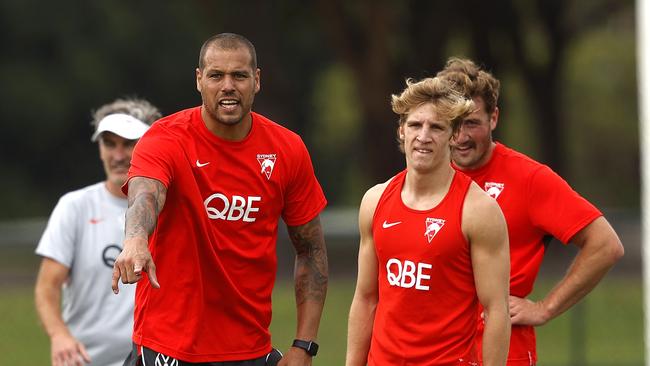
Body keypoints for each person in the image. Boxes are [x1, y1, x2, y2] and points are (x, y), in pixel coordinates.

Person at [111, 33, 328, 366]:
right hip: (170, 346)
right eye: (216, 75)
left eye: (239, 75)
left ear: (256, 81)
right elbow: (144, 194)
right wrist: (136, 239)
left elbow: (311, 250)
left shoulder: (288, 150)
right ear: (199, 80)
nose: (228, 85)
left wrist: (304, 345)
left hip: (251, 348)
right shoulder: (165, 138)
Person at [437, 57, 625, 365]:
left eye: (472, 123)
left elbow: (606, 245)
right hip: (436, 349)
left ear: (494, 118)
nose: (461, 137)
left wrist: (545, 307)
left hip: (503, 349)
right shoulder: (429, 177)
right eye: (453, 123)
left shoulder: (529, 178)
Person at [346, 77, 511, 366]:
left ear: (454, 134)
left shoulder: (478, 210)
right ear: (401, 131)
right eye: (414, 125)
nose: (424, 136)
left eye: (436, 127)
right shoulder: (374, 201)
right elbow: (365, 298)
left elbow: (496, 309)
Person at [34, 98, 162, 366]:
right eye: (109, 143)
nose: (118, 155)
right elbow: (48, 286)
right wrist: (59, 336)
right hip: (85, 360)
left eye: (128, 143)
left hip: (151, 358)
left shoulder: (170, 210)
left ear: (150, 145)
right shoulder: (75, 207)